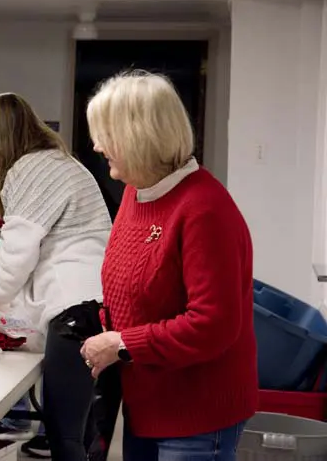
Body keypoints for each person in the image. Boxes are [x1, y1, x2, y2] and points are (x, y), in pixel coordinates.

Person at [81, 71, 257, 461]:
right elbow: (134, 287)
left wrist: (123, 344)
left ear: (138, 136)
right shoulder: (136, 193)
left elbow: (213, 324)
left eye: (105, 135)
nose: (96, 145)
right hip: (147, 404)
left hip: (195, 414)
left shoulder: (204, 209)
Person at [0, 93, 112, 461]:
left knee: (63, 432)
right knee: (84, 431)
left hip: (75, 306)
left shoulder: (27, 169)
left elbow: (19, 253)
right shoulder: (61, 163)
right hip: (97, 302)